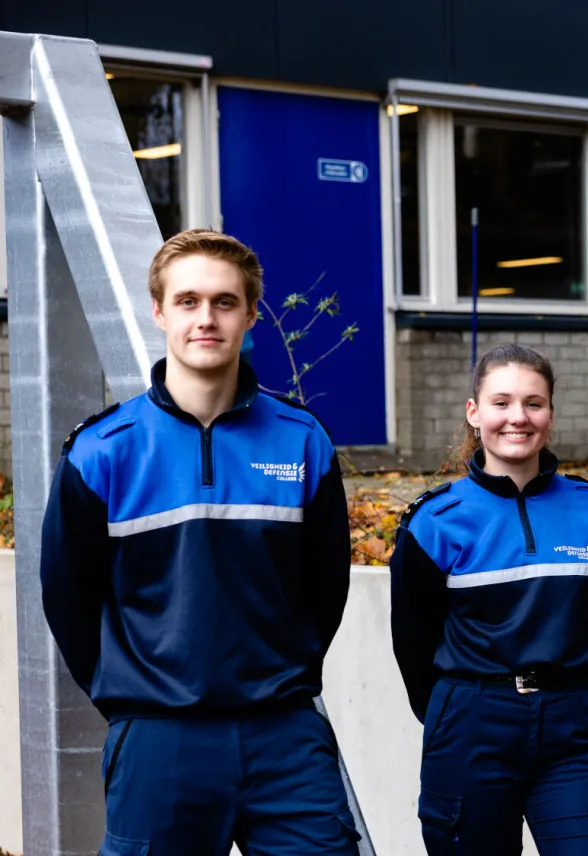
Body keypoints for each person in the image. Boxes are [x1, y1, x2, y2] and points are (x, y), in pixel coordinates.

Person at [40, 229, 358, 855]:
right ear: (159, 312)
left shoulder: (302, 439)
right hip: (159, 739)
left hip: (285, 736)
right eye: (187, 301)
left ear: (249, 314)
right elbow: (67, 598)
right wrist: (133, 699)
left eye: (223, 302)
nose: (205, 318)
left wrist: (283, 674)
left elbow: (327, 587)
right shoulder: (104, 450)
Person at [391, 344, 588, 856]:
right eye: (501, 403)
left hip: (571, 731)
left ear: (550, 413)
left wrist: (578, 699)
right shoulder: (434, 520)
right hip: (470, 728)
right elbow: (412, 640)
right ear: (474, 413)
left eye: (533, 403)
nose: (517, 417)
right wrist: (455, 711)